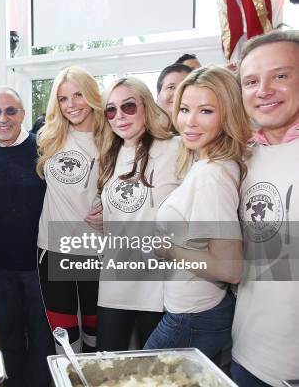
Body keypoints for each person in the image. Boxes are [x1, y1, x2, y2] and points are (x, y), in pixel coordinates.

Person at [144, 66, 252, 361]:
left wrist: (167, 250)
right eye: (184, 109)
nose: (189, 122)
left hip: (193, 317)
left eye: (205, 111)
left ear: (227, 114)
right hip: (195, 310)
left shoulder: (212, 174)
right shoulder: (207, 162)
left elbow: (230, 268)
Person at [0, 86, 55, 387]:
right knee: (8, 336)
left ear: (22, 114)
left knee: (43, 337)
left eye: (10, 111)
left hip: (41, 264)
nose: (3, 118)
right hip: (0, 267)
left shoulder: (45, 150)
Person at [231, 30, 299, 386]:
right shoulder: (240, 159)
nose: (264, 90)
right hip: (250, 357)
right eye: (252, 81)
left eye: (281, 76)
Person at [95, 77, 181, 351]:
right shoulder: (109, 155)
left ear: (146, 106)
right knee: (107, 363)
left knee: (153, 369)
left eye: (128, 107)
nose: (119, 116)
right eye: (111, 110)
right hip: (115, 279)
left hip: (157, 284)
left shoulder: (175, 148)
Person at [35, 66, 102, 353]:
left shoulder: (112, 137)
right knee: (64, 339)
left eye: (78, 95)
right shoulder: (50, 136)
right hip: (53, 248)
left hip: (95, 250)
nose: (71, 105)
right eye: (63, 99)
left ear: (92, 96)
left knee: (95, 337)